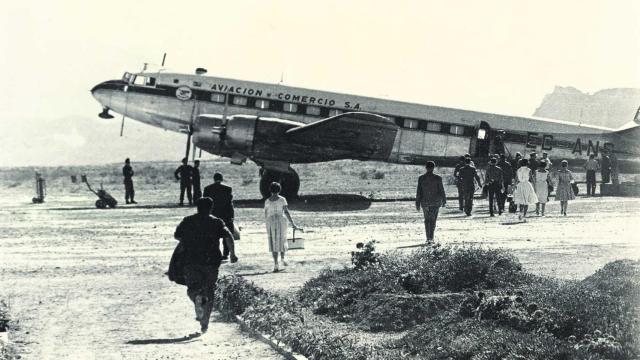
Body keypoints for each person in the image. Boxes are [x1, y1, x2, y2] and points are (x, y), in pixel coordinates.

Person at [173, 197, 238, 333]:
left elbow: (177, 236)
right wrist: (232, 253)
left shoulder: (188, 221)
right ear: (211, 208)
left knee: (193, 288)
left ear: (197, 207)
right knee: (209, 291)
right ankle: (204, 323)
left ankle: (197, 296)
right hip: (211, 261)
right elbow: (229, 236)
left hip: (191, 260)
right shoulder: (216, 222)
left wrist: (189, 240)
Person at [265, 182, 300, 272]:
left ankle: (276, 264)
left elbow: (266, 214)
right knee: (282, 239)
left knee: (273, 241)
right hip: (281, 220)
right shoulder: (282, 199)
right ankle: (283, 259)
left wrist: (267, 225)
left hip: (271, 221)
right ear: (279, 190)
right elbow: (286, 212)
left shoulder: (267, 201)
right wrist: (292, 223)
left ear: (270, 190)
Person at [203, 173, 234, 260]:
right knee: (225, 235)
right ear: (222, 179)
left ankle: (215, 253)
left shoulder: (207, 189)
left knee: (213, 235)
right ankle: (225, 254)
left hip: (212, 215)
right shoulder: (228, 189)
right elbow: (230, 204)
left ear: (214, 179)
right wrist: (231, 216)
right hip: (225, 215)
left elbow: (204, 204)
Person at [416, 161, 447, 242]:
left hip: (425, 202)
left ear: (426, 167)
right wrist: (444, 200)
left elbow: (419, 192)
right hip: (435, 203)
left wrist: (417, 203)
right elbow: (441, 190)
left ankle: (428, 238)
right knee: (433, 220)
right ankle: (431, 237)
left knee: (427, 220)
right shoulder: (438, 178)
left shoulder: (421, 178)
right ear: (433, 168)